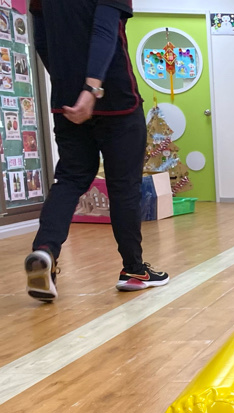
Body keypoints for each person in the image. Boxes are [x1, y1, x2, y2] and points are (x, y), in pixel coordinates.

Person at [24, 0, 168, 302]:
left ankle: (45, 250)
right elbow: (105, 30)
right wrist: (90, 90)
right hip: (116, 100)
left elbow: (41, 41)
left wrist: (70, 85)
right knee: (123, 187)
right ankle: (134, 270)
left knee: (69, 178)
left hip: (67, 101)